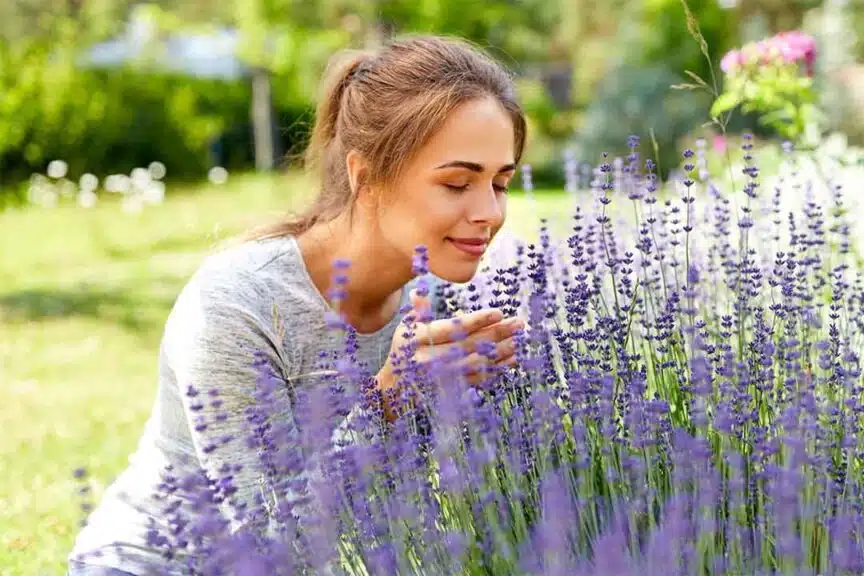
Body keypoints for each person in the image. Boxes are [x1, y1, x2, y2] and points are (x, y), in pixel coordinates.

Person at [67, 34, 528, 575]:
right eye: (457, 182)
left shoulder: (449, 303)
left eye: (500, 183)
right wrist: (388, 404)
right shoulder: (239, 304)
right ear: (366, 176)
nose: (489, 212)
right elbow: (270, 546)